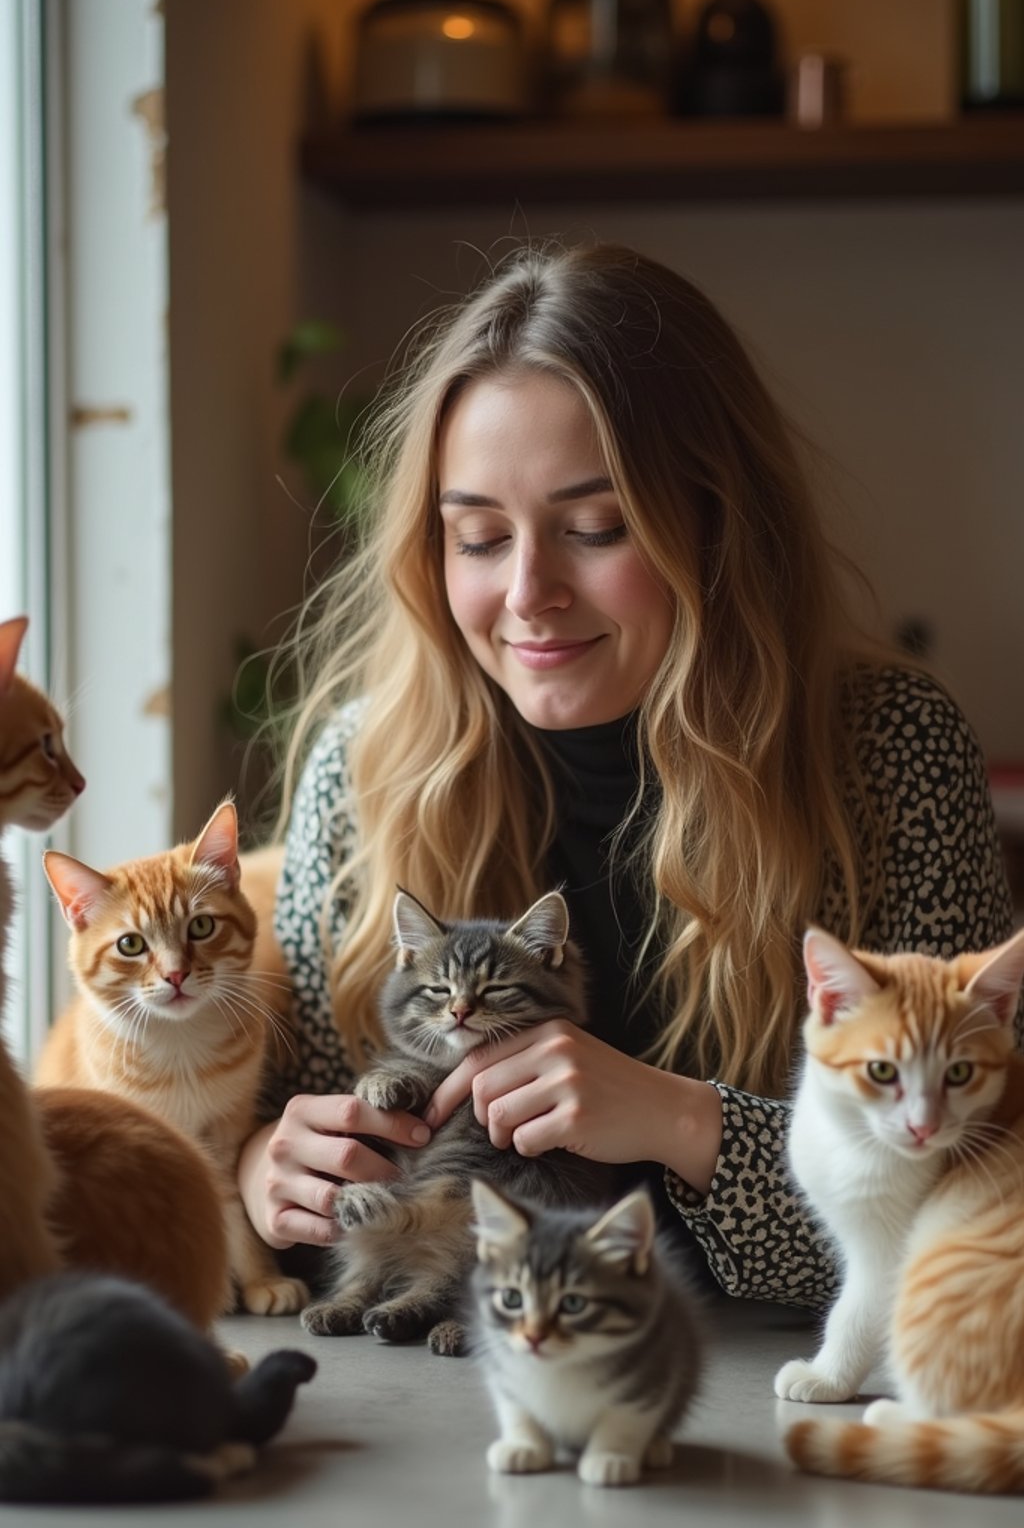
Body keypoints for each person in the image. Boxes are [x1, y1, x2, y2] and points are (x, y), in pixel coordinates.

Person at [238, 240, 1015, 1312]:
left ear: (713, 521)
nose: (527, 593)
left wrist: (685, 1124)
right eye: (475, 537)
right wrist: (257, 1176)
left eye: (594, 528)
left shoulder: (885, 759)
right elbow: (287, 1127)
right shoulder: (367, 771)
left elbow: (975, 1214)